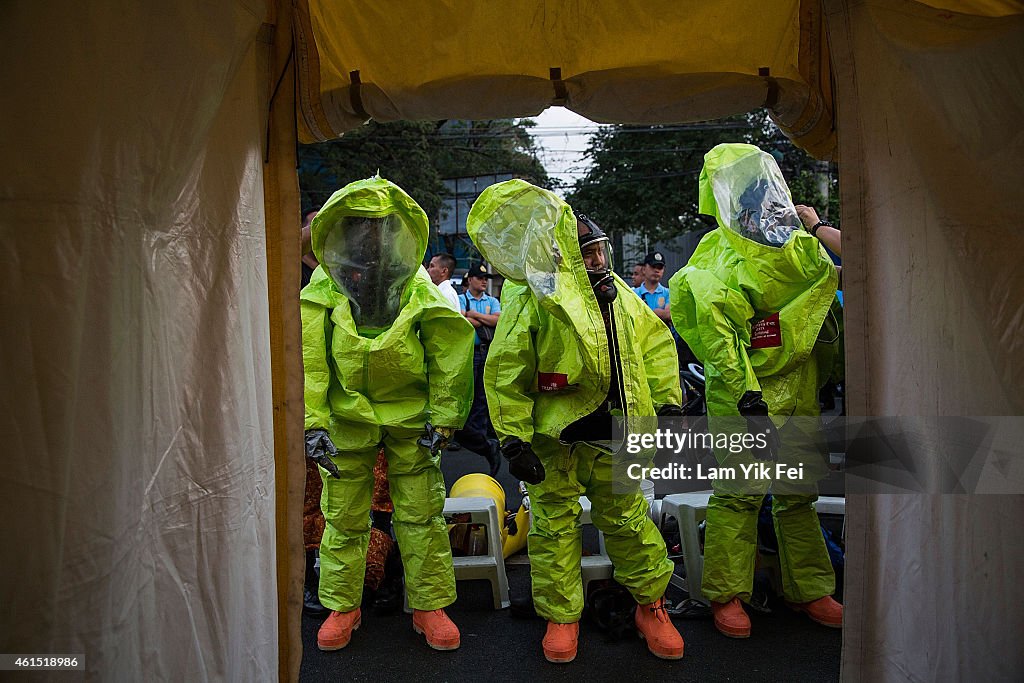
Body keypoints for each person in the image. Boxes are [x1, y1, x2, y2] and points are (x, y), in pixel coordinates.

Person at [467, 179, 686, 663]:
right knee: (553, 528)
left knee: (628, 522)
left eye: (600, 251)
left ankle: (652, 606)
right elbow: (505, 372)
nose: (597, 262)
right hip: (554, 441)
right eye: (587, 253)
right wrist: (514, 440)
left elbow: (653, 345)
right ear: (564, 255)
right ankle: (561, 616)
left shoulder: (622, 297)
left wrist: (669, 403)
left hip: (616, 434)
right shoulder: (533, 300)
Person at [669, 143, 843, 639]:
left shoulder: (800, 246)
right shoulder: (716, 258)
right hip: (743, 396)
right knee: (737, 498)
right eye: (754, 201)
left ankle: (810, 589)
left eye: (770, 198)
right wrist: (747, 394)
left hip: (800, 389)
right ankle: (727, 595)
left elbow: (833, 292)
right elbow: (717, 333)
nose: (766, 210)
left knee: (796, 496)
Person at [301, 176, 476, 652]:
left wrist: (443, 417)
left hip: (411, 419)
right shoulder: (325, 286)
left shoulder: (416, 286)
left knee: (422, 514)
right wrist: (312, 422)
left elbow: (448, 349)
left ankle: (430, 605)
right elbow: (310, 358)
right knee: (343, 516)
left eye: (380, 228)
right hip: (346, 419)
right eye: (361, 228)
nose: (371, 240)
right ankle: (342, 604)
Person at [455, 261, 502, 476]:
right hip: (469, 352)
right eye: (480, 278)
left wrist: (475, 315)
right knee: (468, 393)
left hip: (487, 350)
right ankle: (471, 434)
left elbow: (497, 321)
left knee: (484, 394)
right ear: (470, 280)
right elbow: (463, 321)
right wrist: (482, 319)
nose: (484, 281)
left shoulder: (491, 300)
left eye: (486, 279)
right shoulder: (459, 299)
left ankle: (479, 433)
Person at [634, 252, 672, 325]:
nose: (656, 270)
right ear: (644, 269)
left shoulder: (668, 293)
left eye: (660, 268)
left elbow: (668, 315)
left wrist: (646, 314)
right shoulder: (634, 293)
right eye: (653, 266)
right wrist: (658, 313)